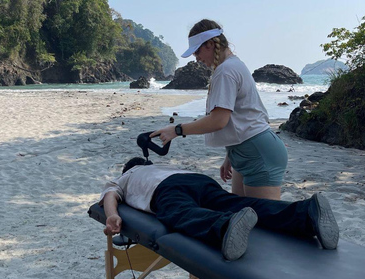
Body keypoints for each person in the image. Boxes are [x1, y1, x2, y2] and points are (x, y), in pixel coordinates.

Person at [151, 19, 288, 200]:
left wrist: (177, 130)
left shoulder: (226, 71)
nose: (197, 58)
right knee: (242, 215)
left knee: (266, 223)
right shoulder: (232, 65)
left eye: (197, 51)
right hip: (246, 151)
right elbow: (243, 115)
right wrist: (230, 156)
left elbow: (218, 121)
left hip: (258, 152)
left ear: (210, 44)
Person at [100, 158, 339, 261]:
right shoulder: (164, 166)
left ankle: (224, 226)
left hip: (165, 189)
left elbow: (110, 195)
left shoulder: (128, 175)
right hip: (198, 179)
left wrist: (112, 215)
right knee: (239, 202)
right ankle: (307, 213)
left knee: (179, 214)